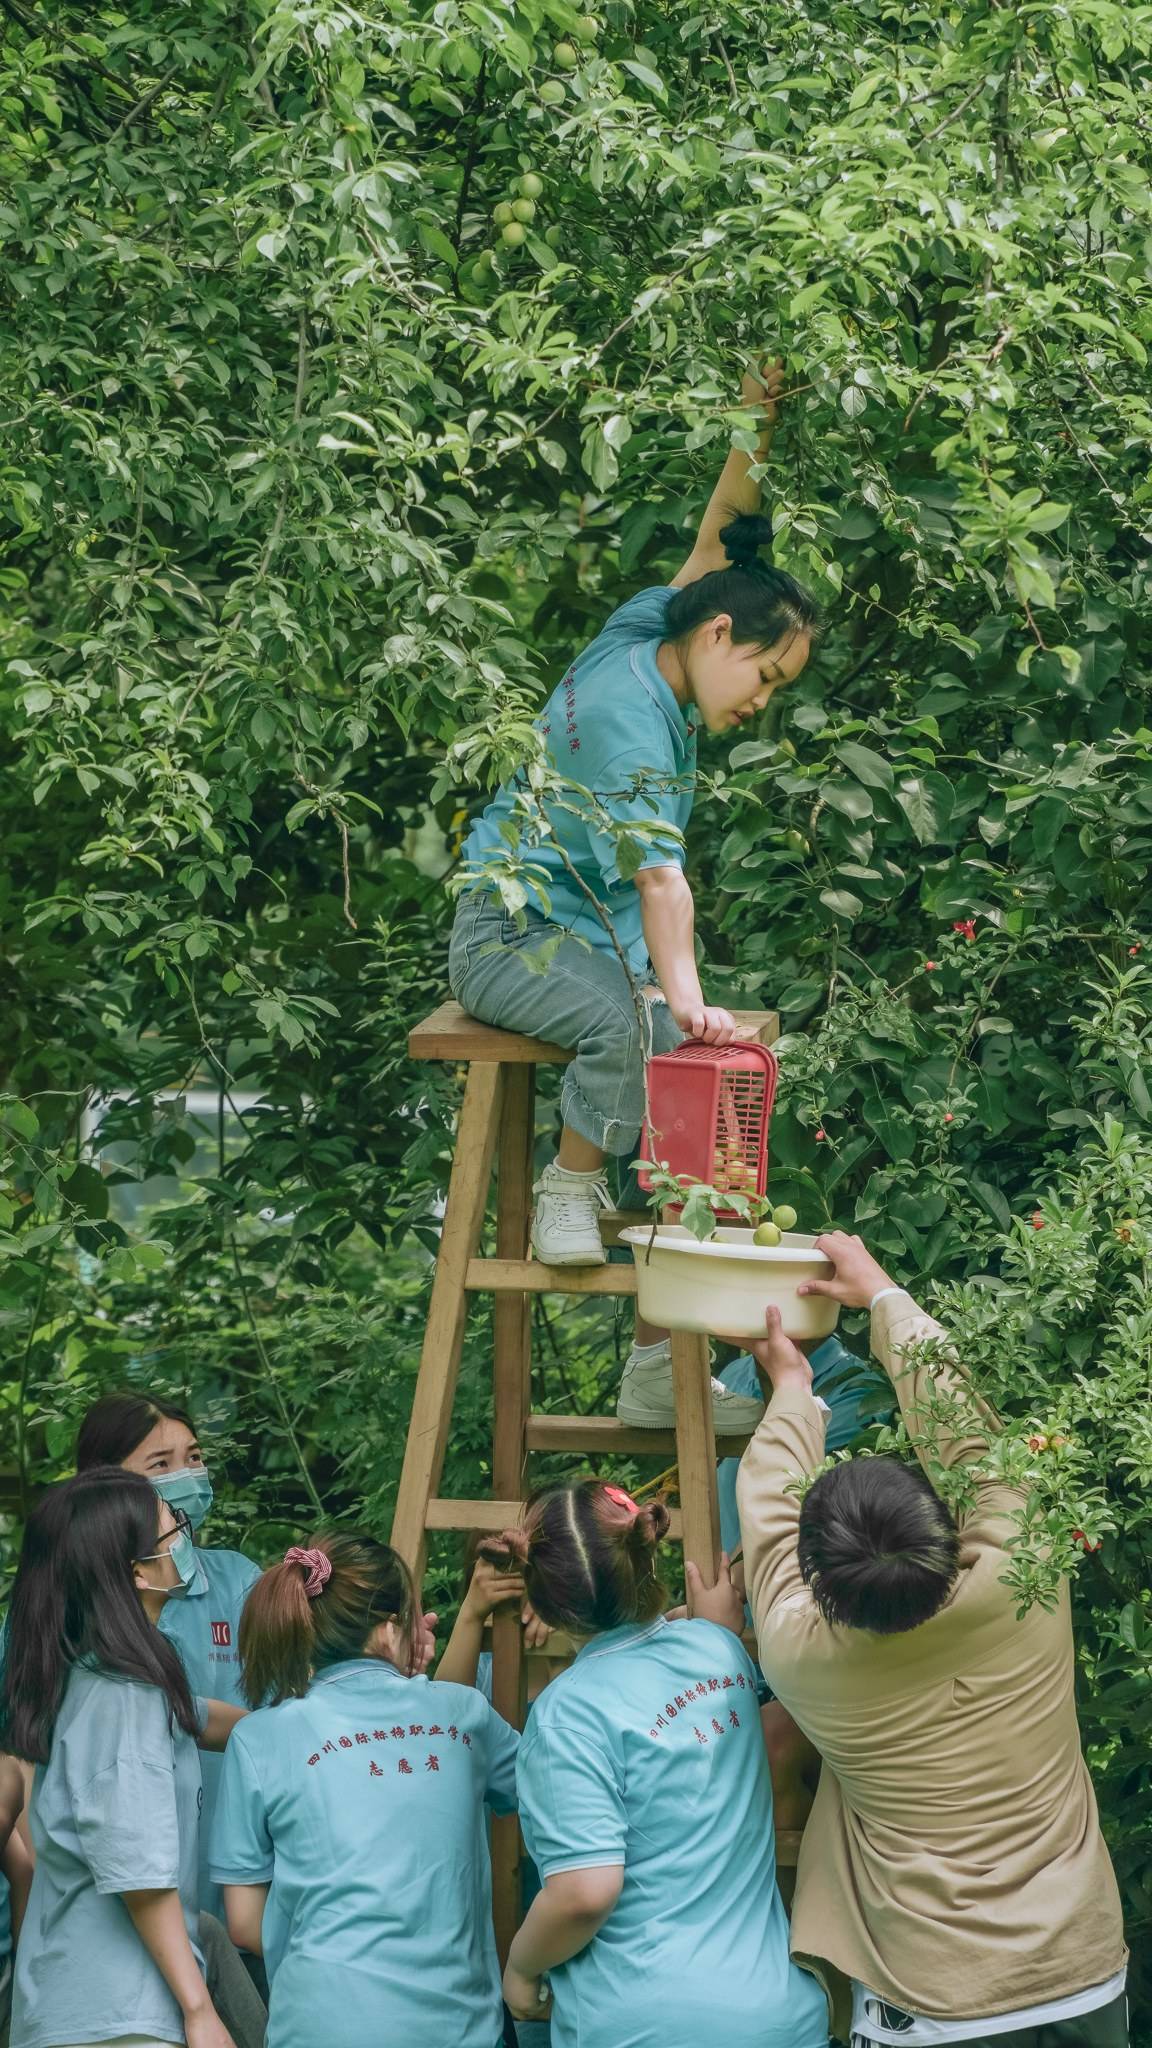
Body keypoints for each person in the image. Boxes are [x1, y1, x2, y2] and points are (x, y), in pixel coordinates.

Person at [451, 353, 820, 1431]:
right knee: (637, 1024)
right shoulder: (630, 725)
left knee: (691, 1077)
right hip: (509, 935)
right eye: (766, 676)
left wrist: (756, 415)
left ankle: (658, 1367)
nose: (763, 702)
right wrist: (685, 998)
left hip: (587, 933)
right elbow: (662, 880)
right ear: (719, 639)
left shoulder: (650, 629)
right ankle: (568, 1186)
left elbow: (717, 539)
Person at [736, 1232, 1129, 2048]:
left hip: (932, 1999)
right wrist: (884, 1295)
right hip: (1081, 1973)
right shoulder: (1027, 1574)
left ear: (821, 1579)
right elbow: (973, 1441)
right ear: (939, 1524)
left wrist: (792, 1389)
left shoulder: (801, 1655)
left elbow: (768, 1515)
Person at [502, 1477, 829, 2048]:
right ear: (643, 1558)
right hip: (779, 2016)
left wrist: (521, 1967)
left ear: (547, 1601)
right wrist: (709, 1624)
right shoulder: (720, 1652)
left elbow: (584, 1893)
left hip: (643, 2023)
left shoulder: (565, 1717)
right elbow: (678, 1655)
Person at [210, 1531, 520, 2048]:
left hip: (317, 2027)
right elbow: (549, 1789)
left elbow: (243, 1923)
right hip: (455, 2028)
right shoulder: (462, 1714)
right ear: (389, 1628)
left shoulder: (258, 1737)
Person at [0, 1467, 244, 2048]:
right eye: (171, 1528)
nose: (184, 1534)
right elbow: (140, 1874)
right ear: (136, 1571)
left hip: (84, 2004)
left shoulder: (94, 1676)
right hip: (119, 2014)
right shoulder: (123, 1695)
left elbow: (210, 1721)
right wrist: (199, 2010)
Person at [76, 1393, 262, 1926]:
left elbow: (286, 1722)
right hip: (99, 1904)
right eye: (161, 1465)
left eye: (195, 1457)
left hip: (228, 1893)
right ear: (104, 1483)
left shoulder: (241, 1583)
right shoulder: (57, 1603)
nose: (187, 1477)